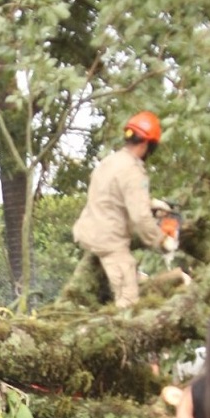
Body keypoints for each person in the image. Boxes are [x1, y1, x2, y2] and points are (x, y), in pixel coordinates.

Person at [72, 110, 178, 308]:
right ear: (148, 144)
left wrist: (151, 203)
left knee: (135, 279)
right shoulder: (133, 171)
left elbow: (112, 198)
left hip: (88, 232)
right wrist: (162, 241)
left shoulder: (110, 162)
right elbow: (140, 219)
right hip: (110, 242)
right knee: (128, 302)